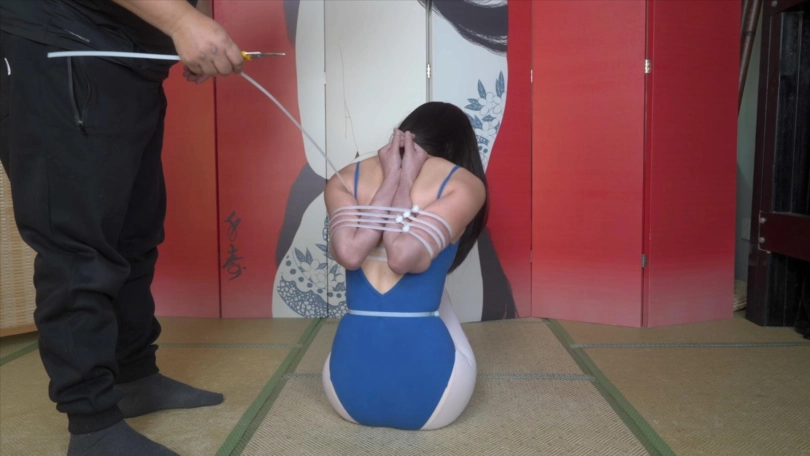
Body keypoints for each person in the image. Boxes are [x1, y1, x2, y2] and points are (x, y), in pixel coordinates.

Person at [0, 1, 243, 454]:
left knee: (134, 234)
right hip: (62, 41)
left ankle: (134, 377)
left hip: (124, 53)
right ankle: (92, 425)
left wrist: (181, 30)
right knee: (78, 247)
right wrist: (181, 21)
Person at [321, 102, 488, 430]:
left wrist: (390, 180)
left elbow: (350, 253)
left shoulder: (345, 177)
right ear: (459, 147)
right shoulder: (463, 182)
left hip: (344, 394)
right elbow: (400, 257)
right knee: (438, 298)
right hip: (436, 400)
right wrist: (403, 179)